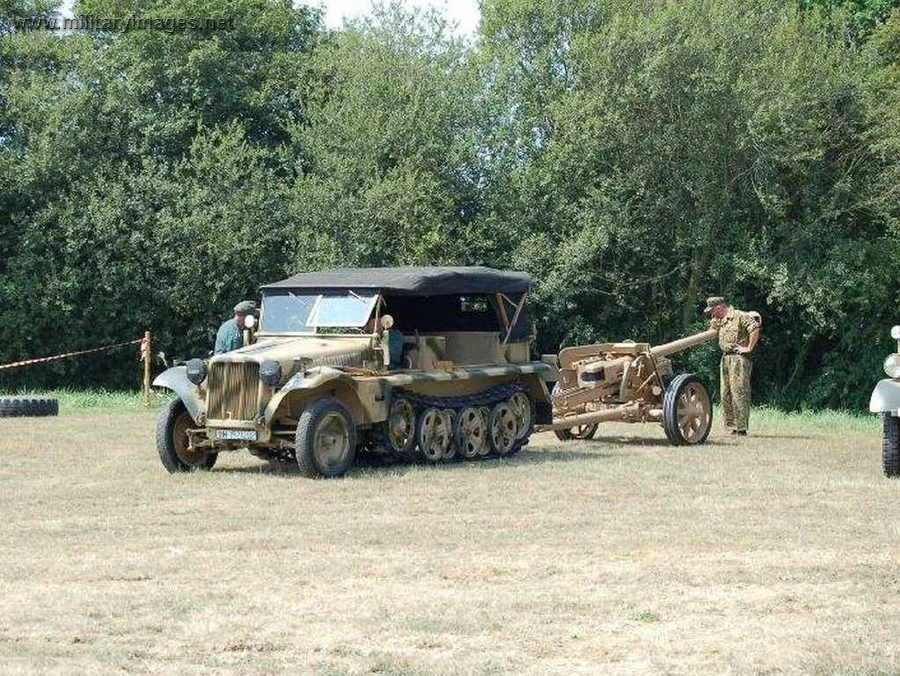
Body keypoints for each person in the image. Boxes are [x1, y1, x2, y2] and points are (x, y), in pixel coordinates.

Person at [705, 296, 760, 436]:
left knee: (739, 392)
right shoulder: (720, 320)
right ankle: (732, 427)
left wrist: (748, 347)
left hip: (738, 358)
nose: (712, 314)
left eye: (712, 311)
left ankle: (741, 428)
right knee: (725, 393)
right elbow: (712, 332)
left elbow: (754, 329)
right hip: (725, 358)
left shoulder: (740, 316)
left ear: (719, 307)